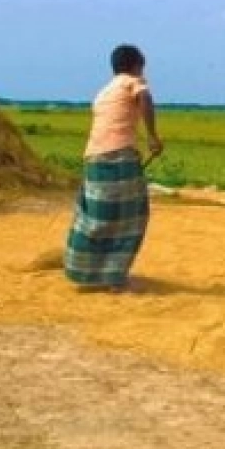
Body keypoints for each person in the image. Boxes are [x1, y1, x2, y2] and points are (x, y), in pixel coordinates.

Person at [64, 44, 165, 293]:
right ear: (135, 66)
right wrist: (152, 137)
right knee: (131, 216)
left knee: (95, 217)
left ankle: (86, 272)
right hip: (120, 157)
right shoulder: (133, 81)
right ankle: (114, 277)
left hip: (93, 159)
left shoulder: (103, 92)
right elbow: (146, 98)